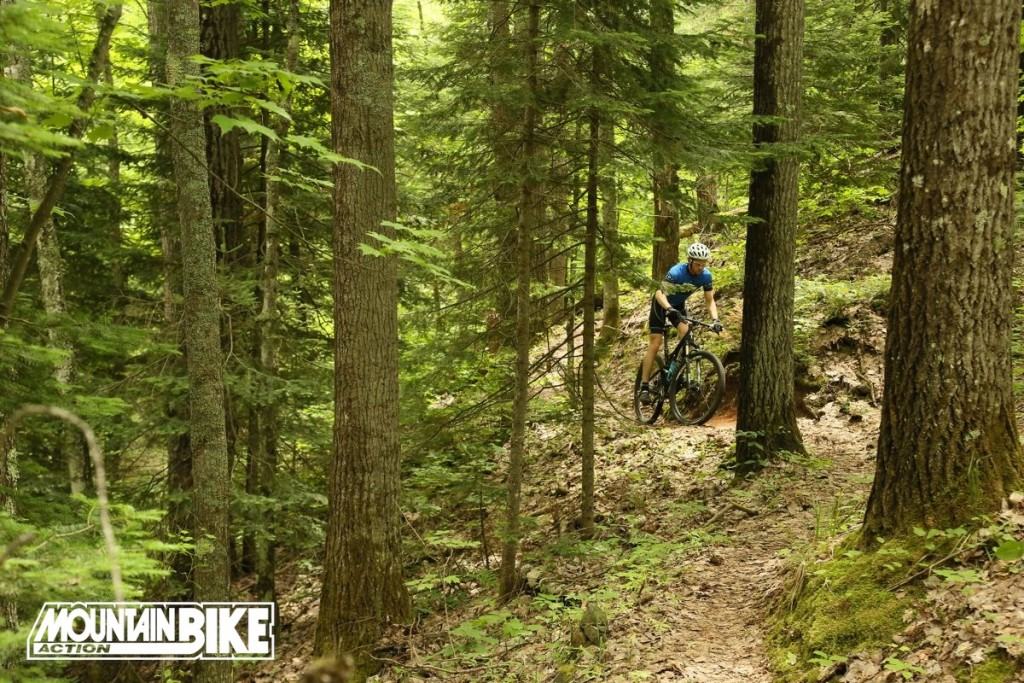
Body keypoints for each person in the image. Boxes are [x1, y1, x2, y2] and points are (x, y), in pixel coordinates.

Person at [639, 242, 723, 404]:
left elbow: (710, 300)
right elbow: (659, 294)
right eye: (698, 264)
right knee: (655, 343)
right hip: (662, 305)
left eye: (703, 264)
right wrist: (669, 308)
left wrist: (715, 320)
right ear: (690, 261)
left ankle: (676, 370)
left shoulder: (706, 276)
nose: (701, 267)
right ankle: (643, 386)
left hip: (678, 307)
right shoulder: (676, 272)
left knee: (687, 334)